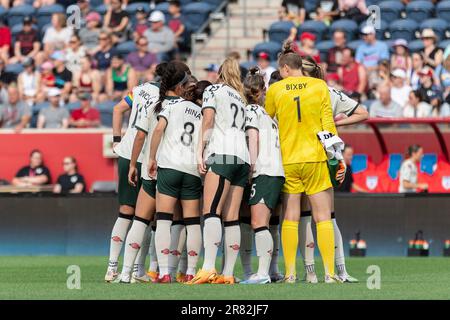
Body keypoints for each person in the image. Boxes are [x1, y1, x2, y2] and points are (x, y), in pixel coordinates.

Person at [264, 41, 345, 283]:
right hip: (315, 157)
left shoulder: (276, 90)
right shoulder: (320, 86)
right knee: (322, 217)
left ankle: (290, 274)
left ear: (286, 69)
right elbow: (328, 125)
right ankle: (330, 274)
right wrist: (337, 157)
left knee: (290, 217)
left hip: (288, 159)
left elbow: (268, 122)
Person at [298, 55, 367, 283]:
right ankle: (340, 270)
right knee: (328, 216)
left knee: (306, 216)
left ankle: (310, 272)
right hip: (328, 156)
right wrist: (337, 124)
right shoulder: (330, 92)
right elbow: (362, 112)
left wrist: (335, 123)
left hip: (302, 155)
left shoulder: (295, 92)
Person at [188, 58, 249, 285]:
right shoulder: (241, 98)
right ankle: (228, 273)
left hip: (222, 153)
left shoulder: (214, 90)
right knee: (232, 217)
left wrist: (200, 150)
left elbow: (208, 120)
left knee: (211, 210)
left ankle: (207, 268)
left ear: (220, 73)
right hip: (242, 157)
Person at [145, 65, 203, 284]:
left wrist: (151, 158)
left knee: (164, 221)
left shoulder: (171, 106)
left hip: (170, 166)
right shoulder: (200, 112)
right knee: (192, 223)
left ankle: (164, 272)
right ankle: (190, 271)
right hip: (191, 170)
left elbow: (158, 130)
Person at [238, 67, 285, 285]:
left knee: (258, 222)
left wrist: (251, 168)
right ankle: (269, 271)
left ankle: (263, 273)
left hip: (264, 170)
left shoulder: (252, 112)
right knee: (269, 223)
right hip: (277, 170)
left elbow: (253, 139)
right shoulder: (269, 114)